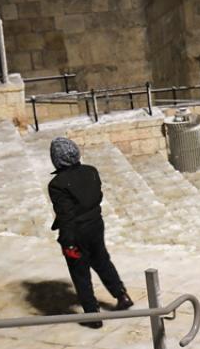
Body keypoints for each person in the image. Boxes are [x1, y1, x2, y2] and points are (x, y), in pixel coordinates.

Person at [47, 137, 134, 328]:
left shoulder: (57, 184)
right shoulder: (91, 171)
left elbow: (66, 215)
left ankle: (92, 315)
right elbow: (98, 196)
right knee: (102, 260)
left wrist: (68, 243)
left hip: (76, 232)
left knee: (80, 273)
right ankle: (122, 295)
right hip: (95, 224)